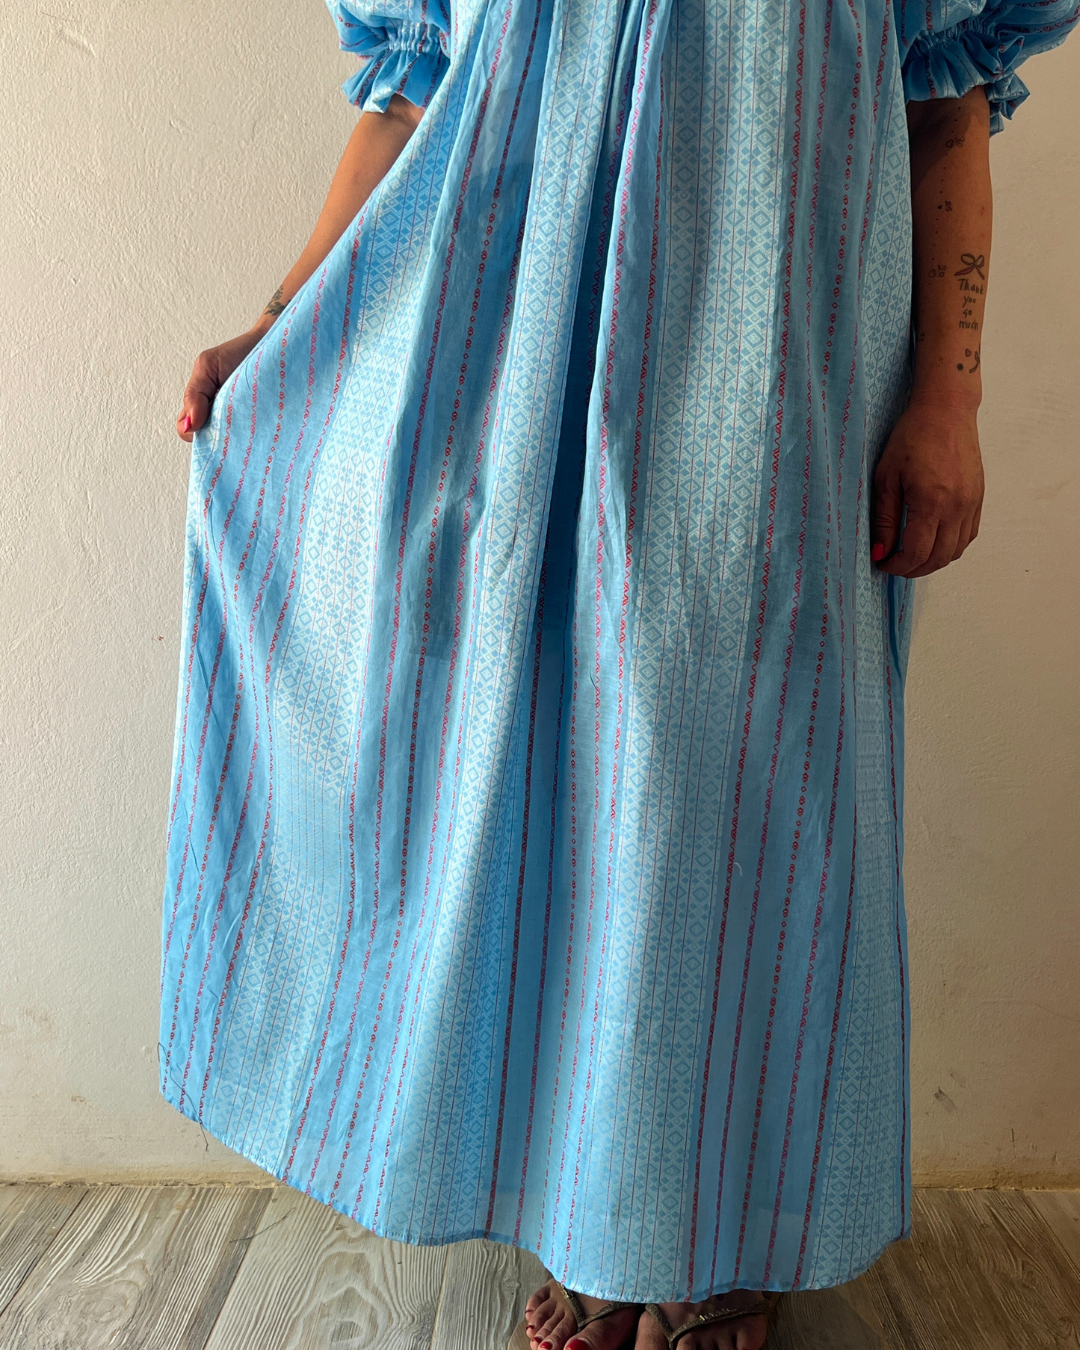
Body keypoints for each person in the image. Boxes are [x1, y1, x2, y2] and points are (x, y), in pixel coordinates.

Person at [165, 2, 1076, 1348]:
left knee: (731, 803)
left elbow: (942, 106)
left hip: (778, 378)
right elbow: (412, 100)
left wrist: (951, 399)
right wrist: (281, 320)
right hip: (500, 378)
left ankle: (713, 1239)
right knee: (530, 781)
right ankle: (595, 1223)